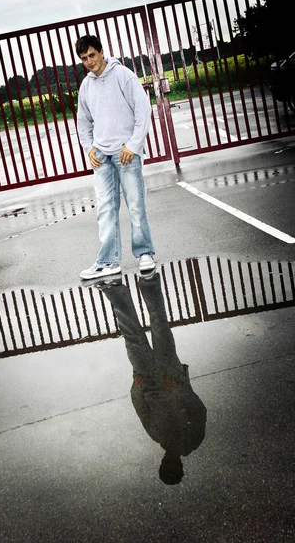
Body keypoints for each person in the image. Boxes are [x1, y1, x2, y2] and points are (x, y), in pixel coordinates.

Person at [94, 270, 207, 485]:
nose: (168, 463)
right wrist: (179, 390)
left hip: (146, 379)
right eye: (172, 467)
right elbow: (199, 410)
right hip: (171, 376)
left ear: (162, 464)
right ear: (180, 466)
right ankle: (149, 282)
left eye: (165, 466)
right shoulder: (193, 440)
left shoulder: (157, 437)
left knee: (131, 333)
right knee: (159, 324)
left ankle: (114, 289)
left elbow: (141, 408)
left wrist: (136, 388)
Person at [75, 34, 156, 280]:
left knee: (135, 204)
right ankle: (108, 262)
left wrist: (133, 145)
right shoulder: (86, 85)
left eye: (92, 55)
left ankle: (144, 254)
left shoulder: (123, 75)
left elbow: (143, 110)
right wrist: (89, 147)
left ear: (101, 52)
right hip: (102, 155)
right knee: (105, 209)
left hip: (125, 153)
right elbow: (83, 120)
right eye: (84, 58)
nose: (89, 61)